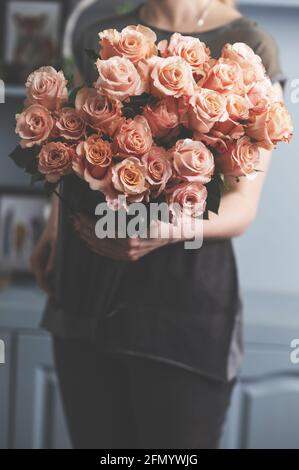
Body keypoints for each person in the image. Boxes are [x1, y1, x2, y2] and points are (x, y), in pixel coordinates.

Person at [31, 0, 285, 449]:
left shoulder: (251, 45)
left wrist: (163, 228)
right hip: (85, 293)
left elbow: (242, 205)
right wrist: (54, 227)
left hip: (181, 313)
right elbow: (73, 147)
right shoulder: (99, 32)